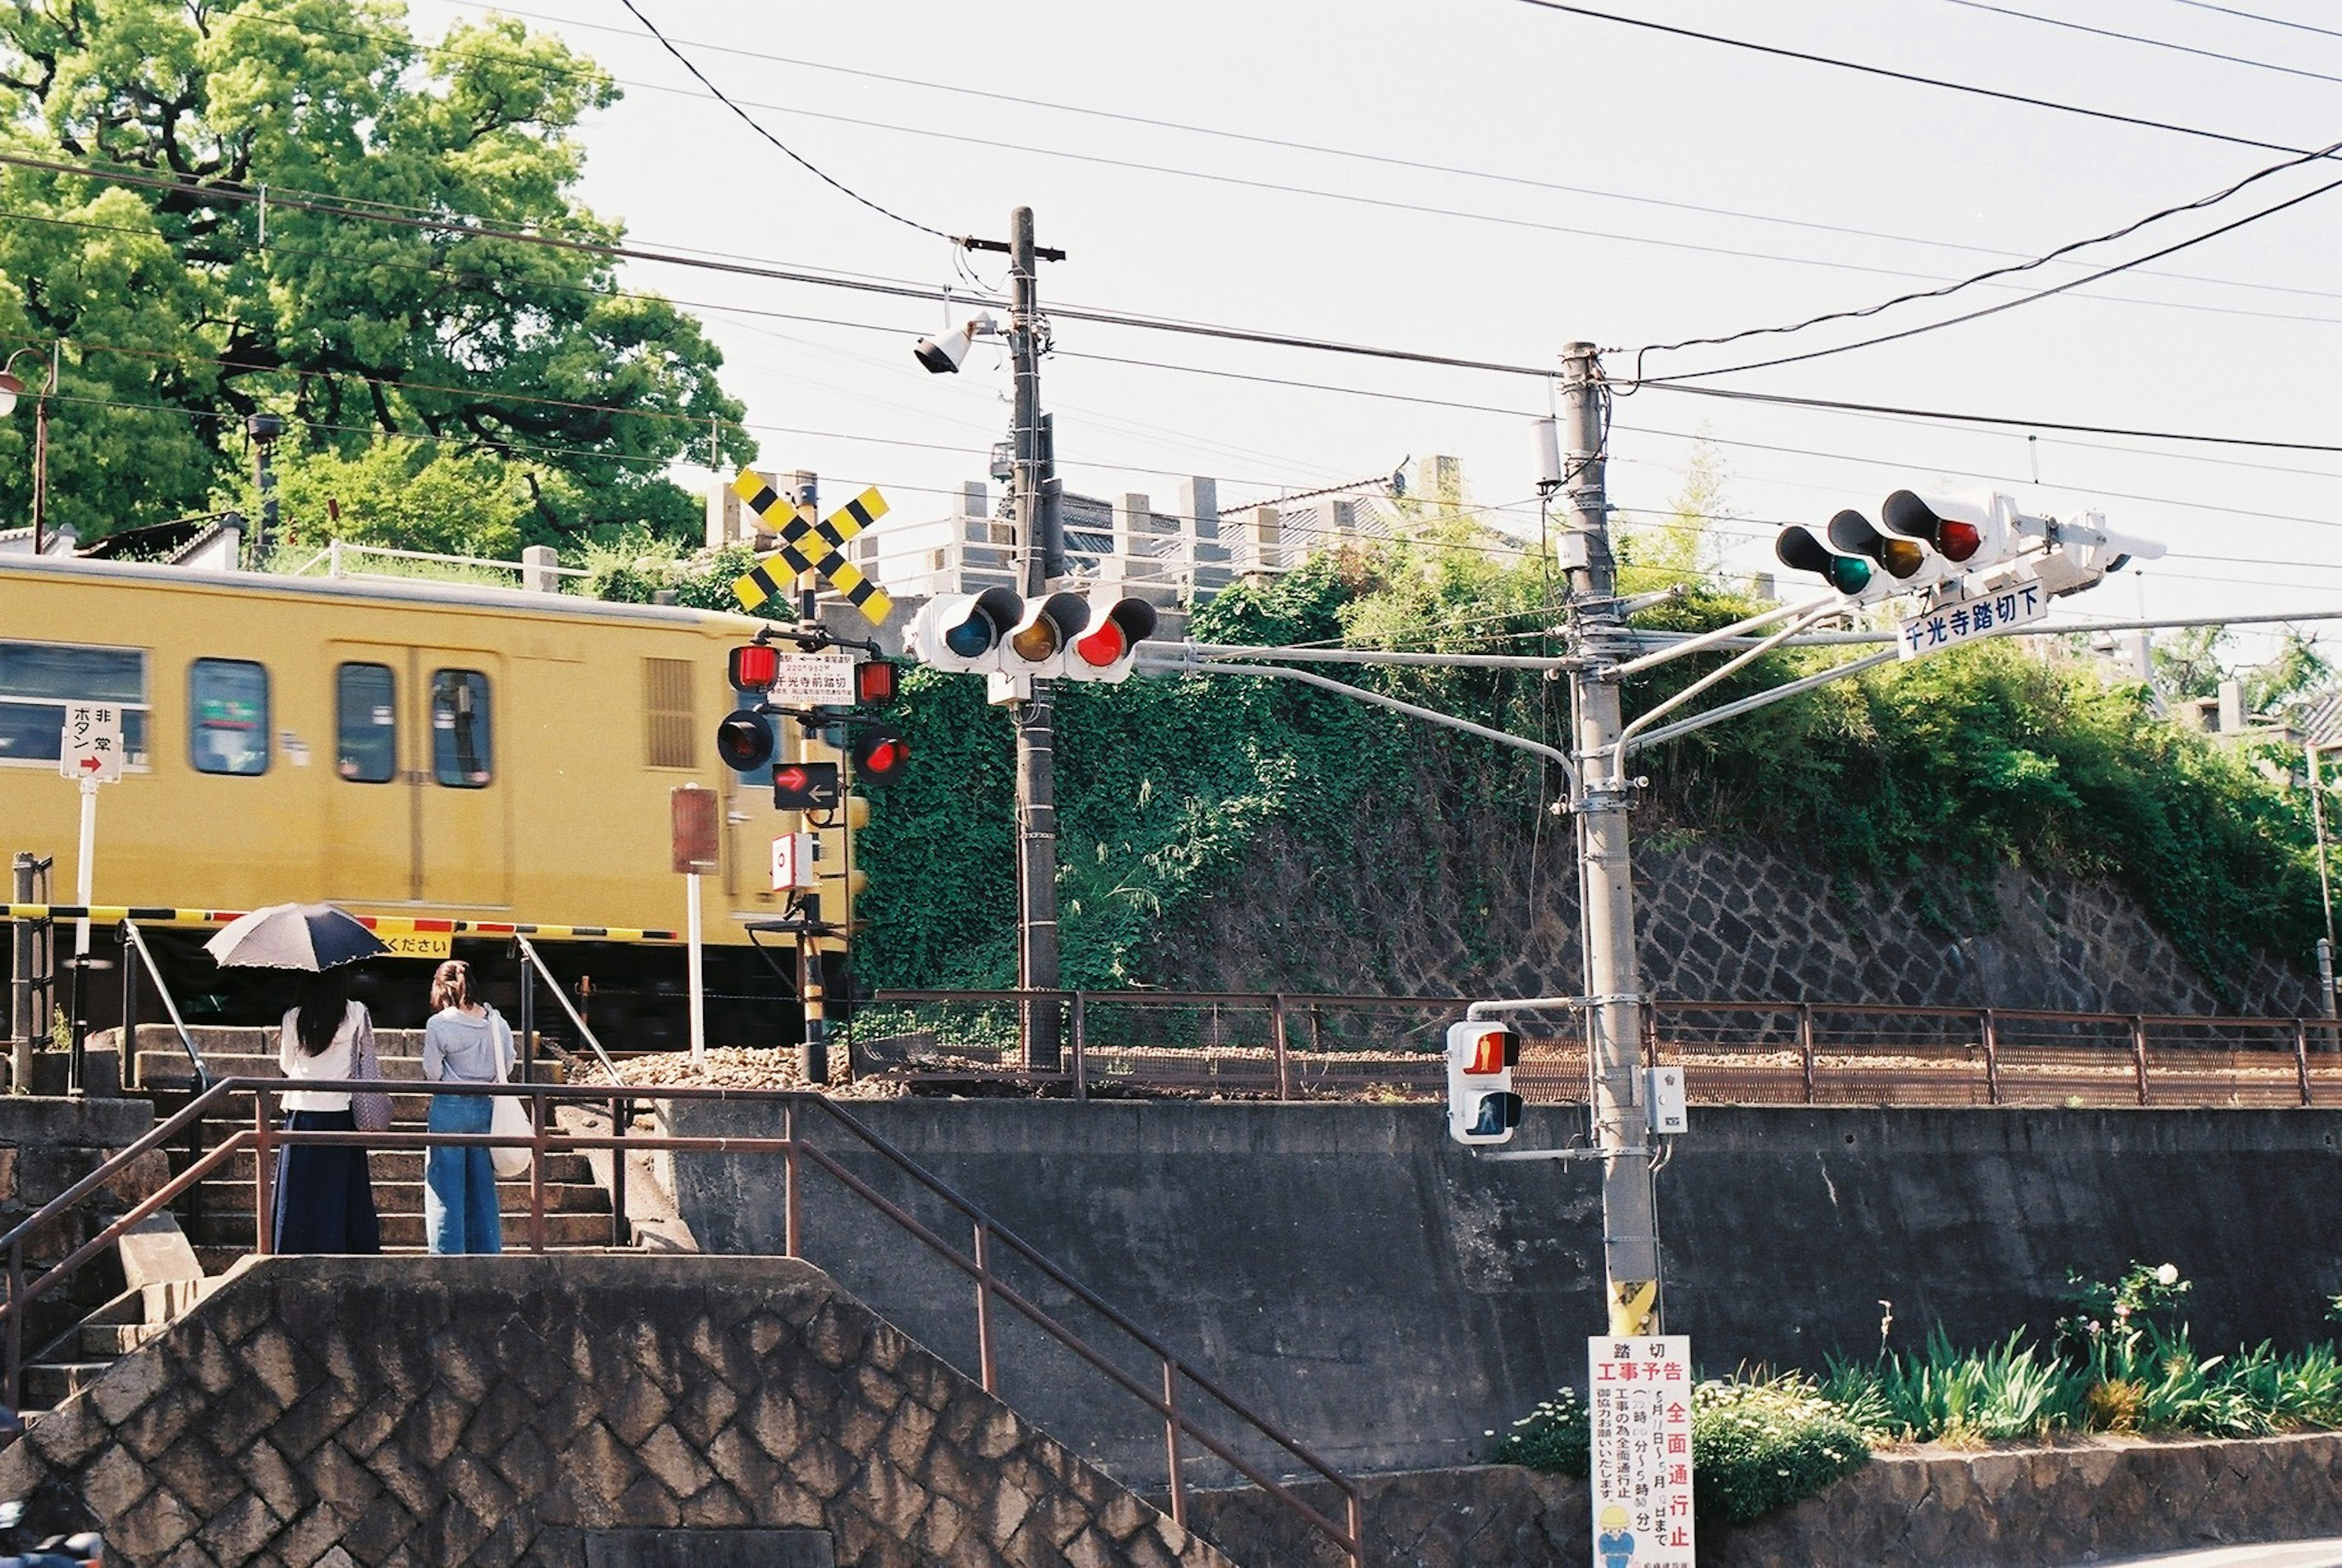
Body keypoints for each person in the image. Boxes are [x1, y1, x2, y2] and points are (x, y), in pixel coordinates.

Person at [273, 968, 382, 1254]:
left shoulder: (293, 1017)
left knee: (299, 1189)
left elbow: (287, 1064)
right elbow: (366, 1058)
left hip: (302, 1111)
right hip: (340, 1110)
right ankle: (342, 1244)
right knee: (339, 1188)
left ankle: (293, 1244)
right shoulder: (357, 1013)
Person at [421, 960, 512, 1255]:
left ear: (440, 987)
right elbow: (507, 1065)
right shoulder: (497, 1022)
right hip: (486, 1108)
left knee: (445, 1187)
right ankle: (487, 1253)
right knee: (482, 1187)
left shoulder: (440, 1023)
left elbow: (432, 1073)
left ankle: (447, 1257)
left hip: (449, 1107)